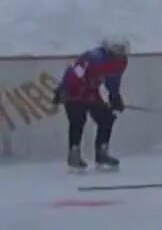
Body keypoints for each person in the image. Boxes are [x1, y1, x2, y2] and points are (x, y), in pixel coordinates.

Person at [53, 38, 129, 171]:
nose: (120, 54)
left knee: (107, 118)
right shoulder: (94, 58)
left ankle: (102, 152)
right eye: (118, 50)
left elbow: (113, 79)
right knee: (78, 119)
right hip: (74, 92)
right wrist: (63, 89)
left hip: (91, 94)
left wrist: (115, 97)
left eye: (123, 51)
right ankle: (74, 153)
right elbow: (74, 72)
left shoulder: (121, 62)